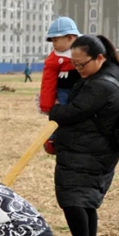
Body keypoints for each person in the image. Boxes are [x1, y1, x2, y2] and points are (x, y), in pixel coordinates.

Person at [48, 34, 119, 236]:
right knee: (84, 200)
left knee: (72, 199)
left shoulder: (100, 86)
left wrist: (53, 109)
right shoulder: (106, 75)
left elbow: (71, 112)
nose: (77, 69)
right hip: (89, 150)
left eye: (81, 64)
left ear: (99, 58)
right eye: (74, 64)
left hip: (89, 153)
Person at [38, 17, 81, 155]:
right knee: (60, 118)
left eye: (55, 40)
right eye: (52, 41)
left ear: (70, 38)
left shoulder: (86, 50)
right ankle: (53, 138)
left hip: (83, 91)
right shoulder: (53, 59)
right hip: (63, 92)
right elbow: (48, 81)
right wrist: (46, 105)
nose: (53, 44)